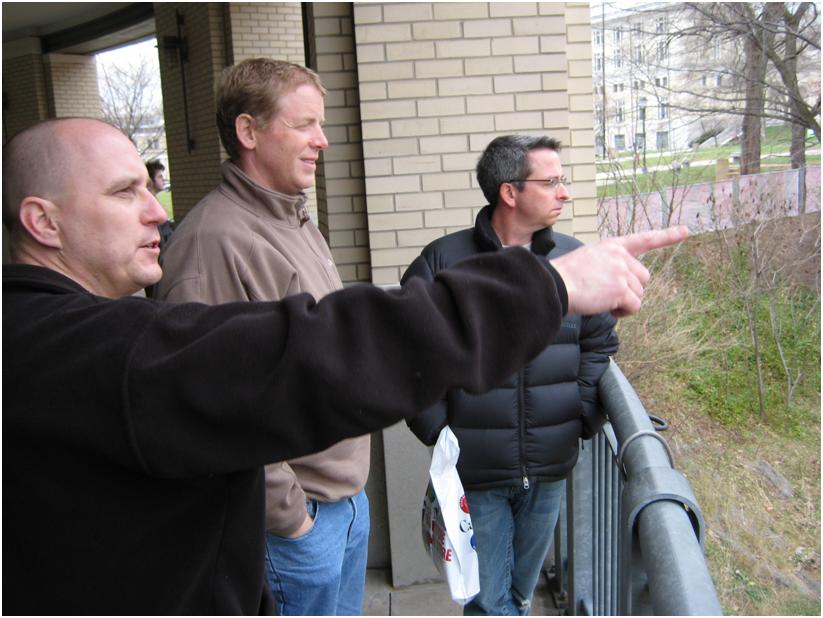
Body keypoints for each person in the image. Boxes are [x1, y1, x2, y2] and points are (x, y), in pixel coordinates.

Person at [2, 116, 685, 615]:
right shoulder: (83, 349)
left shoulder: (49, 335)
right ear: (44, 222)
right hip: (396, 491)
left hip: (539, 461)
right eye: (125, 193)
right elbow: (310, 351)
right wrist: (549, 289)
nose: (158, 211)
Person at [154, 58, 368, 615]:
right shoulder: (212, 244)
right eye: (304, 125)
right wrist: (292, 519)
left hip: (343, 504)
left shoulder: (295, 218)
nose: (321, 141)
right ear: (248, 132)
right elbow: (213, 408)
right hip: (296, 526)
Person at [402, 135, 619, 616]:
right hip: (475, 473)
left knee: (515, 598)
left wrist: (580, 416)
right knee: (488, 603)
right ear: (509, 192)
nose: (565, 192)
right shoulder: (442, 262)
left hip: (548, 469)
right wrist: (439, 432)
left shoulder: (572, 260)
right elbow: (406, 354)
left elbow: (600, 341)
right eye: (552, 181)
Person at [145, 158, 174, 251]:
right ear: (150, 180)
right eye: (160, 176)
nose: (163, 179)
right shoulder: (147, 203)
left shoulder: (153, 199)